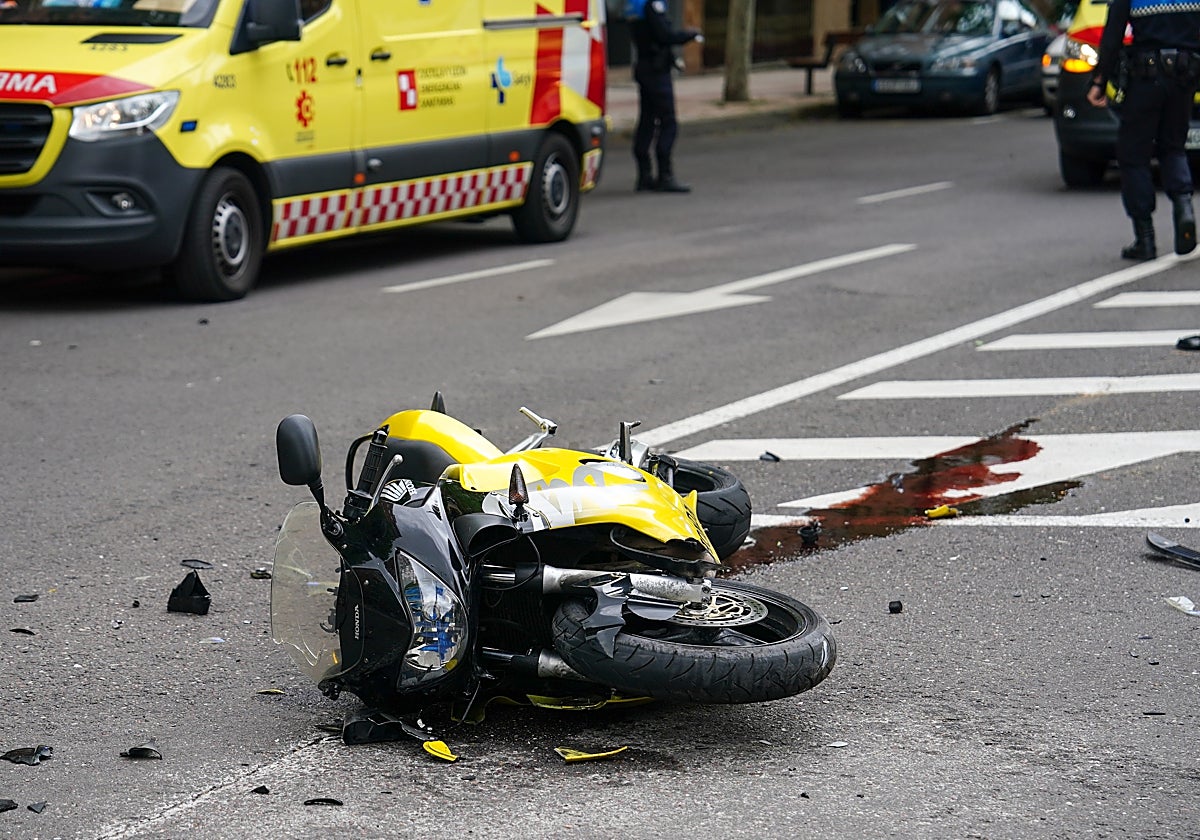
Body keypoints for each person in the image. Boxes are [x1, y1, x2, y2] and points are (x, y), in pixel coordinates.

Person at [1087, 0, 1200, 259]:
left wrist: (1099, 80)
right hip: (1185, 74)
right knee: (1173, 147)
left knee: (1133, 154)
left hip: (1146, 76)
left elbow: (1114, 34)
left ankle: (1145, 238)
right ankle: (1185, 211)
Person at [625, 0, 702, 193]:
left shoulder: (634, 4)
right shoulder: (652, 5)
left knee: (647, 121)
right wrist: (689, 35)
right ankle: (665, 175)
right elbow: (664, 35)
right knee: (668, 122)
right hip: (656, 70)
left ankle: (644, 175)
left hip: (644, 67)